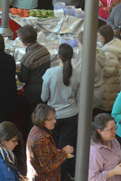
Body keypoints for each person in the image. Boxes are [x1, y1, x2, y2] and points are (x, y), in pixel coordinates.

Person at [41, 43, 80, 179]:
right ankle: (65, 174)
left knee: (54, 147)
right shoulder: (78, 74)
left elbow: (44, 97)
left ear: (58, 56)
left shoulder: (50, 73)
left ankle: (56, 174)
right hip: (72, 115)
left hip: (54, 116)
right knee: (67, 147)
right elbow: (80, 98)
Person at [16, 25, 51, 133]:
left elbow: (24, 79)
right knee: (43, 120)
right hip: (45, 90)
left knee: (32, 121)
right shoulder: (45, 50)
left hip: (32, 93)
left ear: (25, 41)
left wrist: (17, 71)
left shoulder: (27, 57)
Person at [26, 103, 74, 180]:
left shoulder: (36, 128)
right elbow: (48, 167)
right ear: (41, 121)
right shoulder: (41, 140)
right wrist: (64, 152)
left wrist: (56, 152)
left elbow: (44, 155)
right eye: (50, 119)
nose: (55, 121)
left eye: (54, 117)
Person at [88, 113, 121, 180]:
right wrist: (114, 172)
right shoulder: (94, 151)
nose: (115, 131)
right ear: (100, 131)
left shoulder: (113, 141)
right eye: (111, 129)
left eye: (115, 127)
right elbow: (92, 178)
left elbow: (120, 159)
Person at [75, 31, 106, 109]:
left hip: (89, 96)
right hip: (97, 92)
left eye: (79, 42)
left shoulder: (88, 61)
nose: (78, 45)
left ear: (83, 44)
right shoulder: (96, 54)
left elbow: (80, 80)